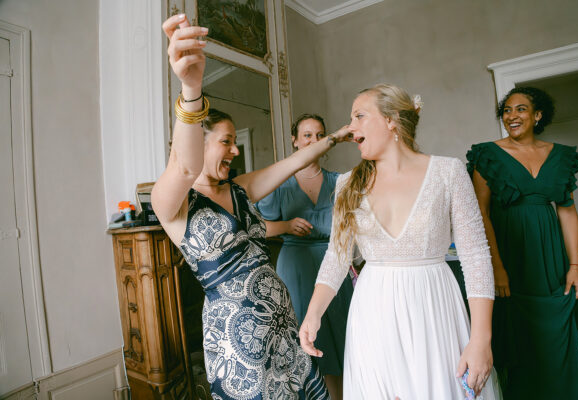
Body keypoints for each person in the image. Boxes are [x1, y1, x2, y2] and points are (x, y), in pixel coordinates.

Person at [152, 14, 352, 399]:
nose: (235, 149)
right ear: (202, 140)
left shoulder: (240, 189)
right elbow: (184, 166)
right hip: (238, 340)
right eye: (226, 141)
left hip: (281, 325)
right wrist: (192, 86)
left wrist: (337, 137)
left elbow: (292, 163)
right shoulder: (171, 204)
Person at [299, 84, 501, 399]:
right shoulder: (347, 184)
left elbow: (476, 256)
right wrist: (313, 313)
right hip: (372, 310)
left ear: (392, 119)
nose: (350, 128)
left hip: (434, 307)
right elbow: (337, 258)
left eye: (359, 116)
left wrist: (480, 340)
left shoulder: (448, 173)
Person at [467, 86, 578, 399]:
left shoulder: (560, 155)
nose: (512, 116)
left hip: (551, 256)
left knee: (556, 330)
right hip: (510, 252)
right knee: (519, 336)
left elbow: (567, 211)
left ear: (537, 115)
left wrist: (574, 265)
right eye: (507, 110)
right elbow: (481, 212)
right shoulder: (486, 154)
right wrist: (496, 265)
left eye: (520, 109)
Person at [256, 114, 354, 400]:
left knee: (340, 339)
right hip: (294, 268)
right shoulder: (279, 184)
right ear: (295, 140)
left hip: (333, 266)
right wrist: (286, 226)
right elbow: (257, 228)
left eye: (320, 135)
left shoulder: (340, 182)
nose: (314, 141)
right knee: (302, 340)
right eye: (307, 135)